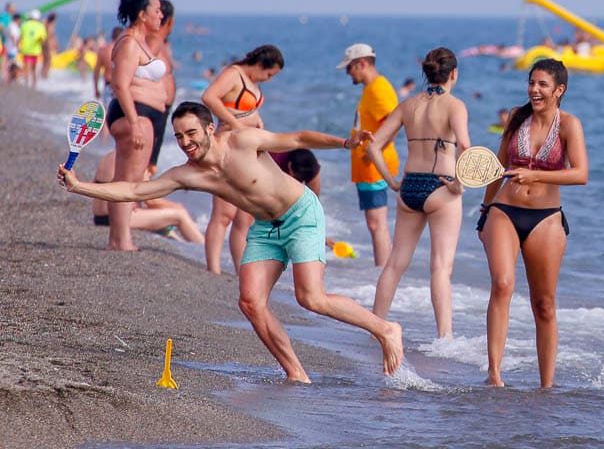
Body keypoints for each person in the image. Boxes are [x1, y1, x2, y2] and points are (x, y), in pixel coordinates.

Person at [59, 102, 403, 381]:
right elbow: (135, 190)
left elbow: (297, 138)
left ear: (210, 129)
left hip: (301, 214)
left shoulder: (242, 141)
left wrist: (345, 143)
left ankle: (385, 329)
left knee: (310, 297)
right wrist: (80, 186)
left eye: (191, 132)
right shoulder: (187, 173)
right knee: (251, 302)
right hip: (266, 228)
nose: (185, 142)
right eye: (179, 137)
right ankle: (297, 373)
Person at [477, 58, 587, 387]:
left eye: (542, 85)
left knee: (545, 305)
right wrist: (484, 212)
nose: (534, 90)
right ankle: (494, 374)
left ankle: (546, 386)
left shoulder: (569, 124)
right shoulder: (516, 117)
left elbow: (581, 174)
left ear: (559, 90)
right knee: (502, 285)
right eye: (531, 83)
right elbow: (497, 166)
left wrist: (535, 174)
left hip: (546, 219)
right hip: (504, 211)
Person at [367, 48, 470, 339]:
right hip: (442, 188)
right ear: (454, 74)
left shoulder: (408, 104)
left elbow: (374, 145)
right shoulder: (455, 106)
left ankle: (375, 325)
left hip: (410, 186)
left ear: (426, 73)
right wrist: (459, 184)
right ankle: (445, 339)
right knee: (440, 268)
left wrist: (392, 181)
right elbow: (465, 145)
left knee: (395, 263)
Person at [200, 45, 285, 274]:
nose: (268, 79)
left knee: (244, 215)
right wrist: (237, 124)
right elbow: (209, 97)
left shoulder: (252, 81)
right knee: (223, 213)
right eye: (269, 74)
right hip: (227, 145)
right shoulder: (233, 74)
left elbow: (249, 110)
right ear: (260, 65)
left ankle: (240, 269)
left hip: (248, 150)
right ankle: (214, 268)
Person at [105, 0, 168, 252]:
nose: (161, 15)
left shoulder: (140, 41)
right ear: (142, 15)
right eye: (156, 10)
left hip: (143, 114)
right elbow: (120, 84)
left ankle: (119, 238)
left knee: (130, 180)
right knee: (127, 181)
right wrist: (134, 122)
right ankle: (120, 240)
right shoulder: (129, 42)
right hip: (134, 114)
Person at [338, 43, 401, 266]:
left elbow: (393, 125)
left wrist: (374, 153)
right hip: (368, 168)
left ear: (361, 63)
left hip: (374, 168)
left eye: (349, 68)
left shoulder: (378, 89)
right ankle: (382, 271)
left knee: (377, 224)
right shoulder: (372, 88)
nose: (348, 73)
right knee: (374, 223)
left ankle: (383, 272)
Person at [90, 151, 204, 242]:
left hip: (98, 215)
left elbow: (96, 184)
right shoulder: (134, 159)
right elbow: (152, 201)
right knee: (180, 215)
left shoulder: (108, 157)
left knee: (165, 223)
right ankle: (201, 248)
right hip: (115, 218)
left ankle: (179, 240)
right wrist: (177, 206)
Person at [144, 0, 177, 172]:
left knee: (149, 166)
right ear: (169, 20)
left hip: (159, 110)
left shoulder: (159, 43)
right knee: (145, 166)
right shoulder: (153, 41)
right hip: (152, 109)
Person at [18, 9, 47, 88]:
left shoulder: (24, 24)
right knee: (34, 68)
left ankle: (27, 83)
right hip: (36, 50)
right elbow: (43, 39)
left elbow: (20, 37)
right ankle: (34, 84)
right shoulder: (41, 26)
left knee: (27, 67)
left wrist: (18, 46)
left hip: (26, 49)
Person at [93, 26, 122, 100]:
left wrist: (96, 89)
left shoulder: (103, 50)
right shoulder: (125, 50)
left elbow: (96, 71)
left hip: (108, 86)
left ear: (112, 36)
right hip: (122, 87)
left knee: (108, 111)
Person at [39, 11, 59, 80]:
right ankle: (45, 76)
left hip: (44, 43)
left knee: (45, 60)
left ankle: (43, 75)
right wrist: (54, 44)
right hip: (47, 43)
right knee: (48, 61)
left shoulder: (45, 23)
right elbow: (51, 36)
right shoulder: (50, 25)